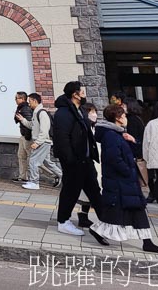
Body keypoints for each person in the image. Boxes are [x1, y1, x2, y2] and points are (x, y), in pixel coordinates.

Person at [90, 104, 158, 254]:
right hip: (119, 181)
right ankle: (99, 230)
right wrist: (127, 171)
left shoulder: (118, 133)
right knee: (120, 211)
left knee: (135, 209)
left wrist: (132, 141)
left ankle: (147, 242)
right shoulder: (111, 135)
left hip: (124, 181)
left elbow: (128, 153)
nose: (126, 118)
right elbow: (113, 158)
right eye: (124, 116)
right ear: (118, 118)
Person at [52, 81, 107, 240]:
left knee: (95, 191)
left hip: (85, 159)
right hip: (74, 161)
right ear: (75, 94)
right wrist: (70, 159)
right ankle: (63, 221)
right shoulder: (63, 113)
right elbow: (62, 139)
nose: (84, 93)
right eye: (82, 91)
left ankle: (107, 222)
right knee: (71, 190)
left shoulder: (80, 110)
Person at [21, 93, 61, 190]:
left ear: (35, 101)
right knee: (47, 162)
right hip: (43, 142)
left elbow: (44, 130)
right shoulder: (36, 112)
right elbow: (32, 126)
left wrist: (37, 142)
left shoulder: (41, 113)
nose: (29, 104)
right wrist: (22, 120)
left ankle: (34, 183)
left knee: (33, 161)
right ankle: (63, 175)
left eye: (29, 101)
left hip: (43, 142)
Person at [12, 91, 33, 183]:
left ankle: (55, 174)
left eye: (16, 98)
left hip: (27, 137)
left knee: (33, 158)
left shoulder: (25, 109)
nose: (15, 100)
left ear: (22, 99)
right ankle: (23, 176)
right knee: (21, 156)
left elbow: (30, 125)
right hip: (23, 136)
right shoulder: (21, 108)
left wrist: (27, 137)